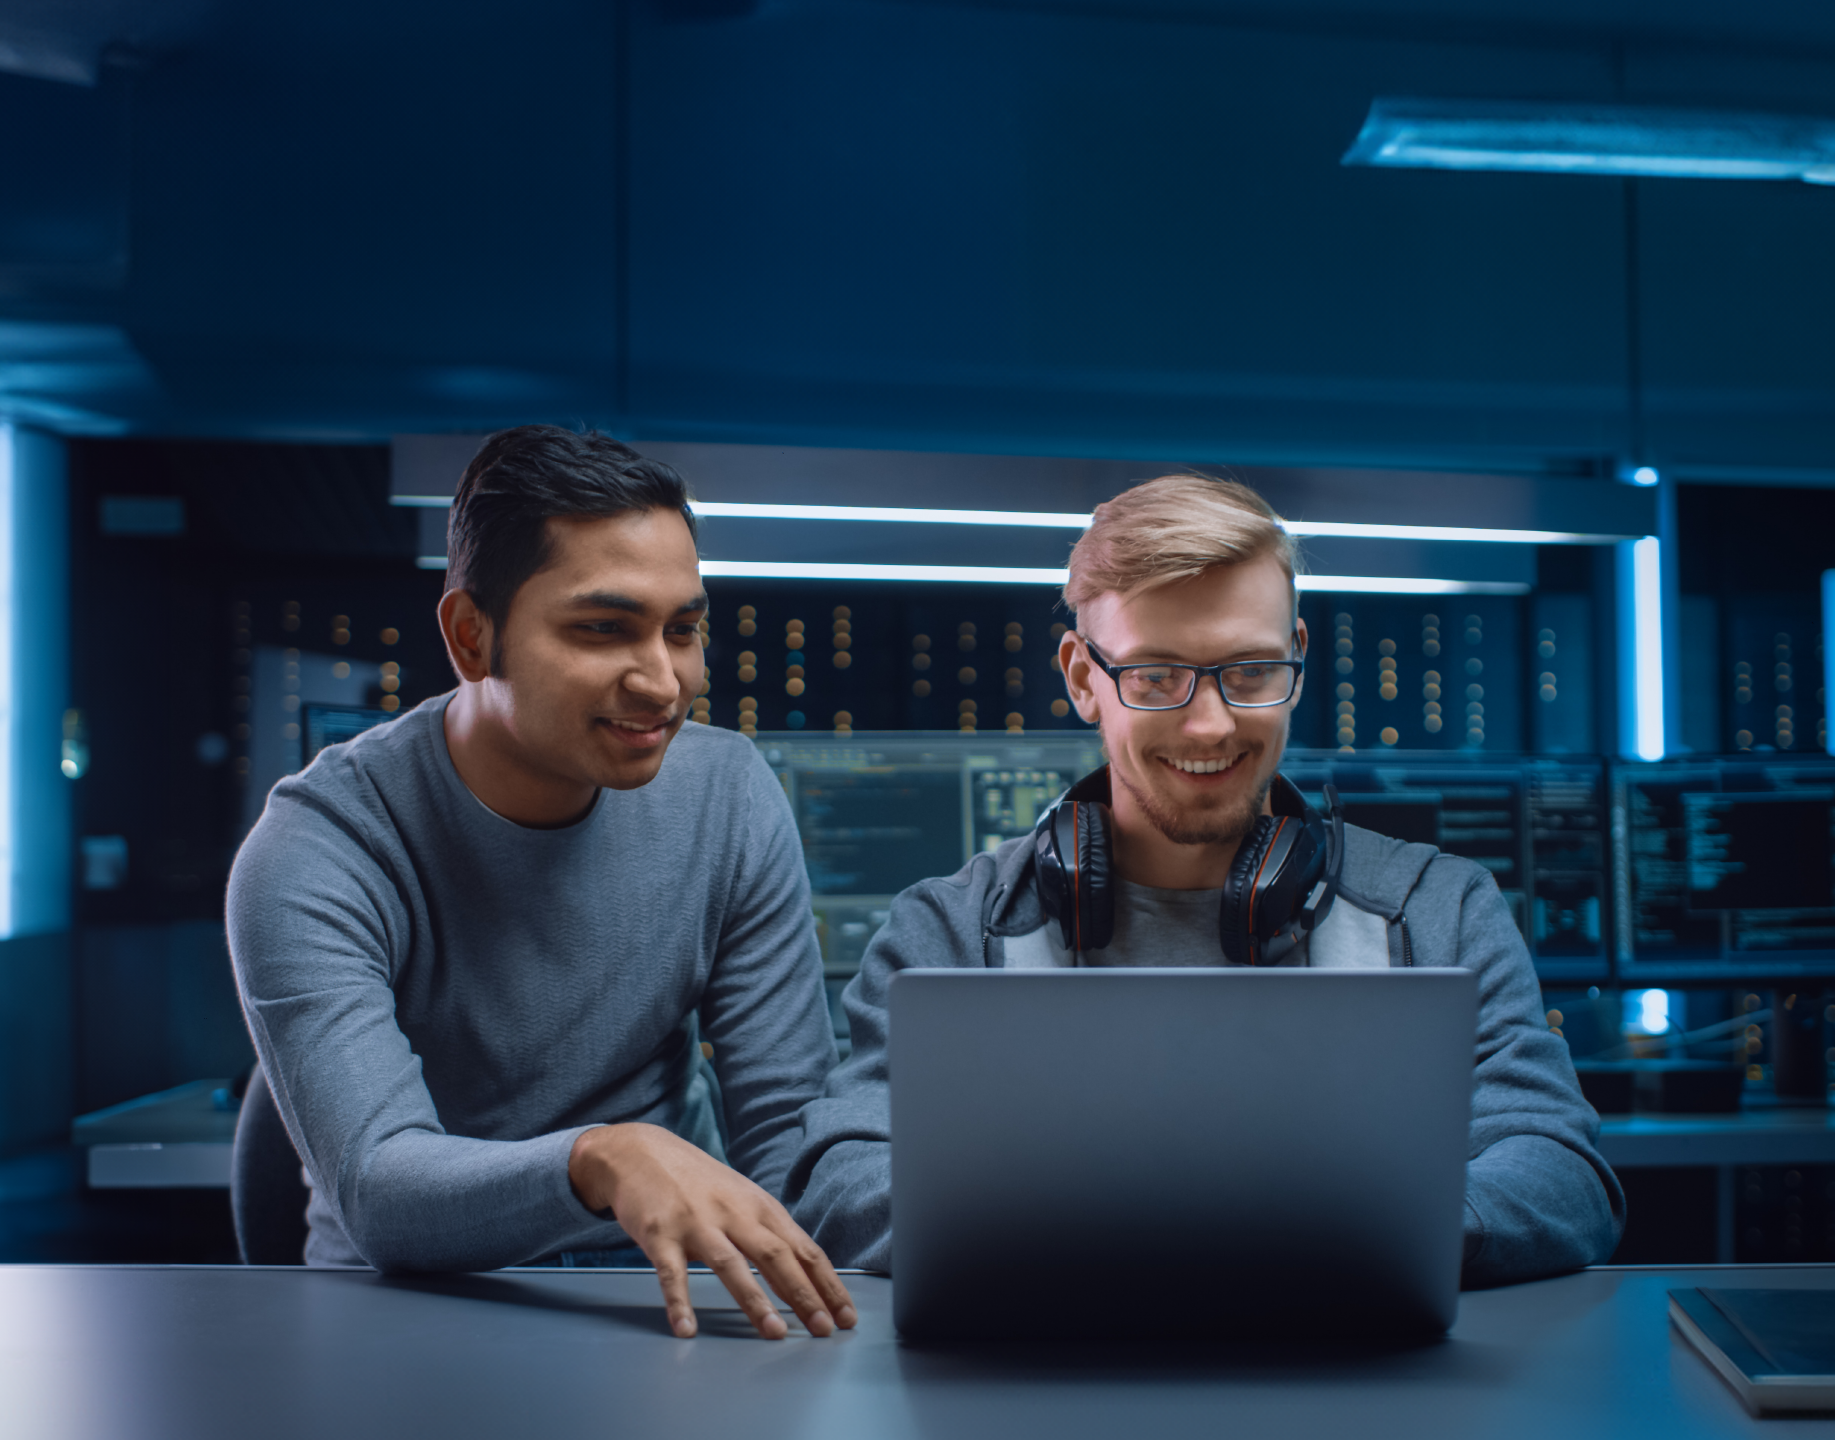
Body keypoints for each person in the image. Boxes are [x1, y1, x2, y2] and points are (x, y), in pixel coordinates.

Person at [788, 474, 1625, 1283]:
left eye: (1250, 672)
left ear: (1296, 658)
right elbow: (841, 1177)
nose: (1211, 723)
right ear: (1085, 679)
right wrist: (1111, 1243)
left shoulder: (1437, 910)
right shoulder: (950, 932)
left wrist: (1393, 1232)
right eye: (1156, 677)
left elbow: (1559, 1168)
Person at [228, 426, 857, 1341]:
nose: (662, 681)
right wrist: (603, 1161)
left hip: (661, 1302)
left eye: (682, 630)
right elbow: (378, 1188)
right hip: (397, 1312)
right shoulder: (320, 845)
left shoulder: (728, 796)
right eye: (603, 629)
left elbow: (787, 1150)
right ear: (471, 635)